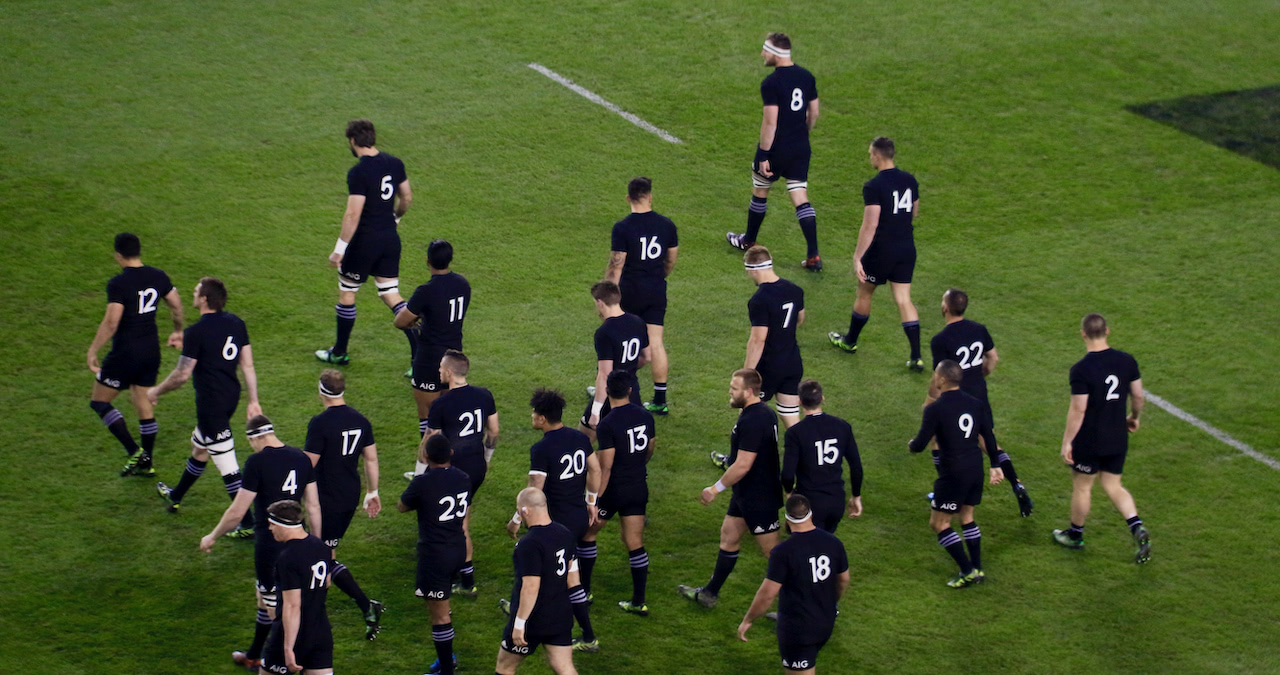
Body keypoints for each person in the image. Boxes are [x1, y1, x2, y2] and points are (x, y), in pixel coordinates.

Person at [198, 416, 321, 672]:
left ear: (254, 438)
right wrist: (316, 543)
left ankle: (286, 661)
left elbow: (237, 512)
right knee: (263, 598)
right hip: (299, 539)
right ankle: (254, 655)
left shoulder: (257, 462)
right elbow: (313, 506)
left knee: (279, 611)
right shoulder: (301, 458)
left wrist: (212, 535)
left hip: (270, 545)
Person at [152, 278, 261, 537]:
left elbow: (181, 375)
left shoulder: (197, 332)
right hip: (230, 397)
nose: (193, 292)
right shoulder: (237, 323)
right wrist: (253, 399)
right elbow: (247, 365)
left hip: (211, 403)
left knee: (228, 467)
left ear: (204, 299)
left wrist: (155, 391)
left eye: (196, 290)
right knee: (200, 449)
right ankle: (175, 496)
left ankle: (248, 524)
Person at [679, 369, 783, 608]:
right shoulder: (762, 412)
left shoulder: (753, 420)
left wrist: (714, 489)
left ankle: (805, 604)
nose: (730, 391)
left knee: (775, 556)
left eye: (734, 388)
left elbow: (743, 464)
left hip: (759, 496)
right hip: (746, 492)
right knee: (729, 536)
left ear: (748, 392)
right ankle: (709, 594)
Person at [508, 389, 601, 653]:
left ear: (542, 419)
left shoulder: (542, 448)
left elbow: (535, 486)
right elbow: (595, 468)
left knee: (548, 575)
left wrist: (517, 517)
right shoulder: (580, 438)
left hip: (557, 523)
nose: (531, 416)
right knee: (570, 576)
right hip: (579, 515)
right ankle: (586, 631)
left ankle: (584, 632)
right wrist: (592, 502)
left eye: (534, 413)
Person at [316, 119, 414, 367]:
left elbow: (353, 215)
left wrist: (339, 250)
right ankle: (419, 356)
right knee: (390, 293)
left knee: (348, 291)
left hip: (364, 242)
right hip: (390, 239)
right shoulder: (395, 163)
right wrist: (396, 218)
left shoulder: (358, 172)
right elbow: (407, 197)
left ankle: (339, 352)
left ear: (352, 141)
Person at [1054, 313, 1151, 564]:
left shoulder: (1081, 369)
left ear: (1083, 334)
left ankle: (1075, 535)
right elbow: (1138, 396)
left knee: (1083, 486)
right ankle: (1136, 526)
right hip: (1117, 436)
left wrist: (1067, 441)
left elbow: (1079, 409)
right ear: (1107, 331)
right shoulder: (1126, 361)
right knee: (1113, 485)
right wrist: (1134, 416)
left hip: (1090, 439)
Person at [927, 289, 1033, 517]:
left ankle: (946, 494)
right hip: (979, 395)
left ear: (945, 307)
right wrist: (982, 373)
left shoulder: (941, 340)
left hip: (955, 399)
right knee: (988, 440)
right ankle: (1016, 484)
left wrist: (931, 402)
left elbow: (940, 375)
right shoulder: (979, 329)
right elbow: (993, 357)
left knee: (939, 442)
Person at [87, 232, 184, 477]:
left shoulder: (118, 283)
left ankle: (135, 451)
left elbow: (112, 322)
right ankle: (147, 462)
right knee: (142, 400)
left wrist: (93, 350)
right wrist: (177, 330)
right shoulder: (158, 276)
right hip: (151, 350)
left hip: (125, 352)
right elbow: (176, 304)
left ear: (118, 256)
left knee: (99, 401)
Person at [726, 32, 823, 271]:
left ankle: (748, 239)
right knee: (799, 194)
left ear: (776, 53)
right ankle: (813, 255)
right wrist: (803, 134)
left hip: (777, 147)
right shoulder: (807, 76)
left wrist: (763, 154)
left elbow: (770, 122)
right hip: (801, 146)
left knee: (760, 190)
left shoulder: (771, 83)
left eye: (765, 50)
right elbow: (814, 113)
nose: (762, 54)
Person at [828, 137, 923, 371]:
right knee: (903, 299)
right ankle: (916, 356)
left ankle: (850, 341)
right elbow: (914, 213)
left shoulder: (874, 185)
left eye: (871, 154)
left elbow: (870, 224)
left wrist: (858, 256)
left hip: (881, 250)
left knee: (865, 293)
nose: (870, 157)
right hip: (906, 248)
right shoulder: (910, 180)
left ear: (878, 156)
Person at [302, 369, 384, 640]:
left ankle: (362, 605)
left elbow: (308, 464)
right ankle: (333, 603)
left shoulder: (320, 423)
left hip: (326, 499)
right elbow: (370, 459)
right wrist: (372, 491)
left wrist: (289, 489)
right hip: (349, 494)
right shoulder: (360, 420)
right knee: (326, 551)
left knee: (319, 554)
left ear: (321, 391)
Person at [907, 361, 1003, 588]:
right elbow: (988, 436)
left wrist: (911, 445)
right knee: (967, 516)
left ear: (941, 379)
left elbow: (921, 443)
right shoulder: (975, 404)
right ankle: (978, 567)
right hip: (975, 468)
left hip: (953, 473)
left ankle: (968, 571)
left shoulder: (935, 409)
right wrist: (995, 464)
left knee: (939, 524)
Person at [738, 495, 849, 675]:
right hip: (826, 622)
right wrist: (831, 603)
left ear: (787, 520)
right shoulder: (833, 543)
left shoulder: (783, 552)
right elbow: (843, 580)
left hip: (799, 629)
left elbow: (767, 595)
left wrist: (748, 619)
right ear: (810, 515)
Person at [418, 349, 499, 595]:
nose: (439, 371)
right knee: (461, 516)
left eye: (442, 367)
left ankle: (463, 579)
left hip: (452, 469)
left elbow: (431, 442)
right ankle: (463, 576)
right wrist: (486, 458)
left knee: (456, 523)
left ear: (450, 372)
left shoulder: (441, 403)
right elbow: (493, 432)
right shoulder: (484, 395)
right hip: (476, 465)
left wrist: (421, 471)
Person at [581, 369, 656, 617]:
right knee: (634, 542)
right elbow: (650, 448)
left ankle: (584, 591)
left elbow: (606, 466)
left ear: (606, 392)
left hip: (614, 490)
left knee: (588, 533)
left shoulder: (608, 424)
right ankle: (639, 601)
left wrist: (596, 499)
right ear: (630, 391)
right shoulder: (646, 416)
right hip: (638, 486)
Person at [604, 177, 678, 414]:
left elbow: (616, 266)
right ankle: (660, 399)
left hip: (630, 290)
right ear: (650, 196)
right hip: (656, 289)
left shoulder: (623, 227)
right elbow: (671, 259)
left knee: (619, 339)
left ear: (628, 198)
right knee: (655, 342)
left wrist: (608, 295)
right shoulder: (667, 225)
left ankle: (611, 387)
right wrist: (657, 277)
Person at [399, 434, 473, 675]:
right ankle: (446, 657)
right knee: (442, 602)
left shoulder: (422, 483)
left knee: (439, 617)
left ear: (426, 456)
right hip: (458, 549)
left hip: (435, 554)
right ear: (451, 454)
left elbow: (402, 506)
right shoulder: (464, 478)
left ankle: (446, 668)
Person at [395, 239, 471, 453]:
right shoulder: (463, 284)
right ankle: (450, 459)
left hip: (429, 359)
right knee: (448, 410)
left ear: (427, 261)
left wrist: (415, 320)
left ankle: (429, 463)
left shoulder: (426, 291)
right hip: (454, 356)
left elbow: (400, 321)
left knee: (427, 414)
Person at [495, 488, 581, 675]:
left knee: (505, 667)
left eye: (519, 511)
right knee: (564, 667)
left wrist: (519, 624)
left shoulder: (529, 544)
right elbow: (573, 579)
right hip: (560, 614)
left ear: (525, 511)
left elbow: (531, 587)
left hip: (533, 619)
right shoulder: (565, 533)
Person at [258, 499, 336, 675]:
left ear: (282, 524)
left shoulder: (288, 558)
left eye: (271, 524)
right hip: (320, 630)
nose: (270, 529)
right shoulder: (321, 547)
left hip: (292, 634)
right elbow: (327, 582)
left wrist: (288, 648)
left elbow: (293, 606)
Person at [781, 380, 863, 533]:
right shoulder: (842, 426)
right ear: (822, 399)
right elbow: (856, 466)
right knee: (825, 542)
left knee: (807, 549)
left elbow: (787, 474)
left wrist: (789, 492)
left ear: (799, 402)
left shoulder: (795, 433)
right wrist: (856, 496)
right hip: (836, 500)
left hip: (809, 503)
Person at [740, 246, 804, 428]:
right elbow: (800, 318)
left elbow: (758, 340)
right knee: (791, 417)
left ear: (752, 269)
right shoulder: (795, 290)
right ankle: (806, 455)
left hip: (769, 366)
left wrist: (747, 374)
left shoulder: (760, 300)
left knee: (749, 410)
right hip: (792, 362)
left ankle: (737, 456)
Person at [580, 281, 650, 442]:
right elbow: (647, 357)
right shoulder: (638, 322)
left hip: (611, 392)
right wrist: (627, 369)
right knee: (628, 440)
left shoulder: (605, 332)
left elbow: (605, 374)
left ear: (600, 302)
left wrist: (596, 411)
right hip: (632, 389)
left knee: (584, 440)